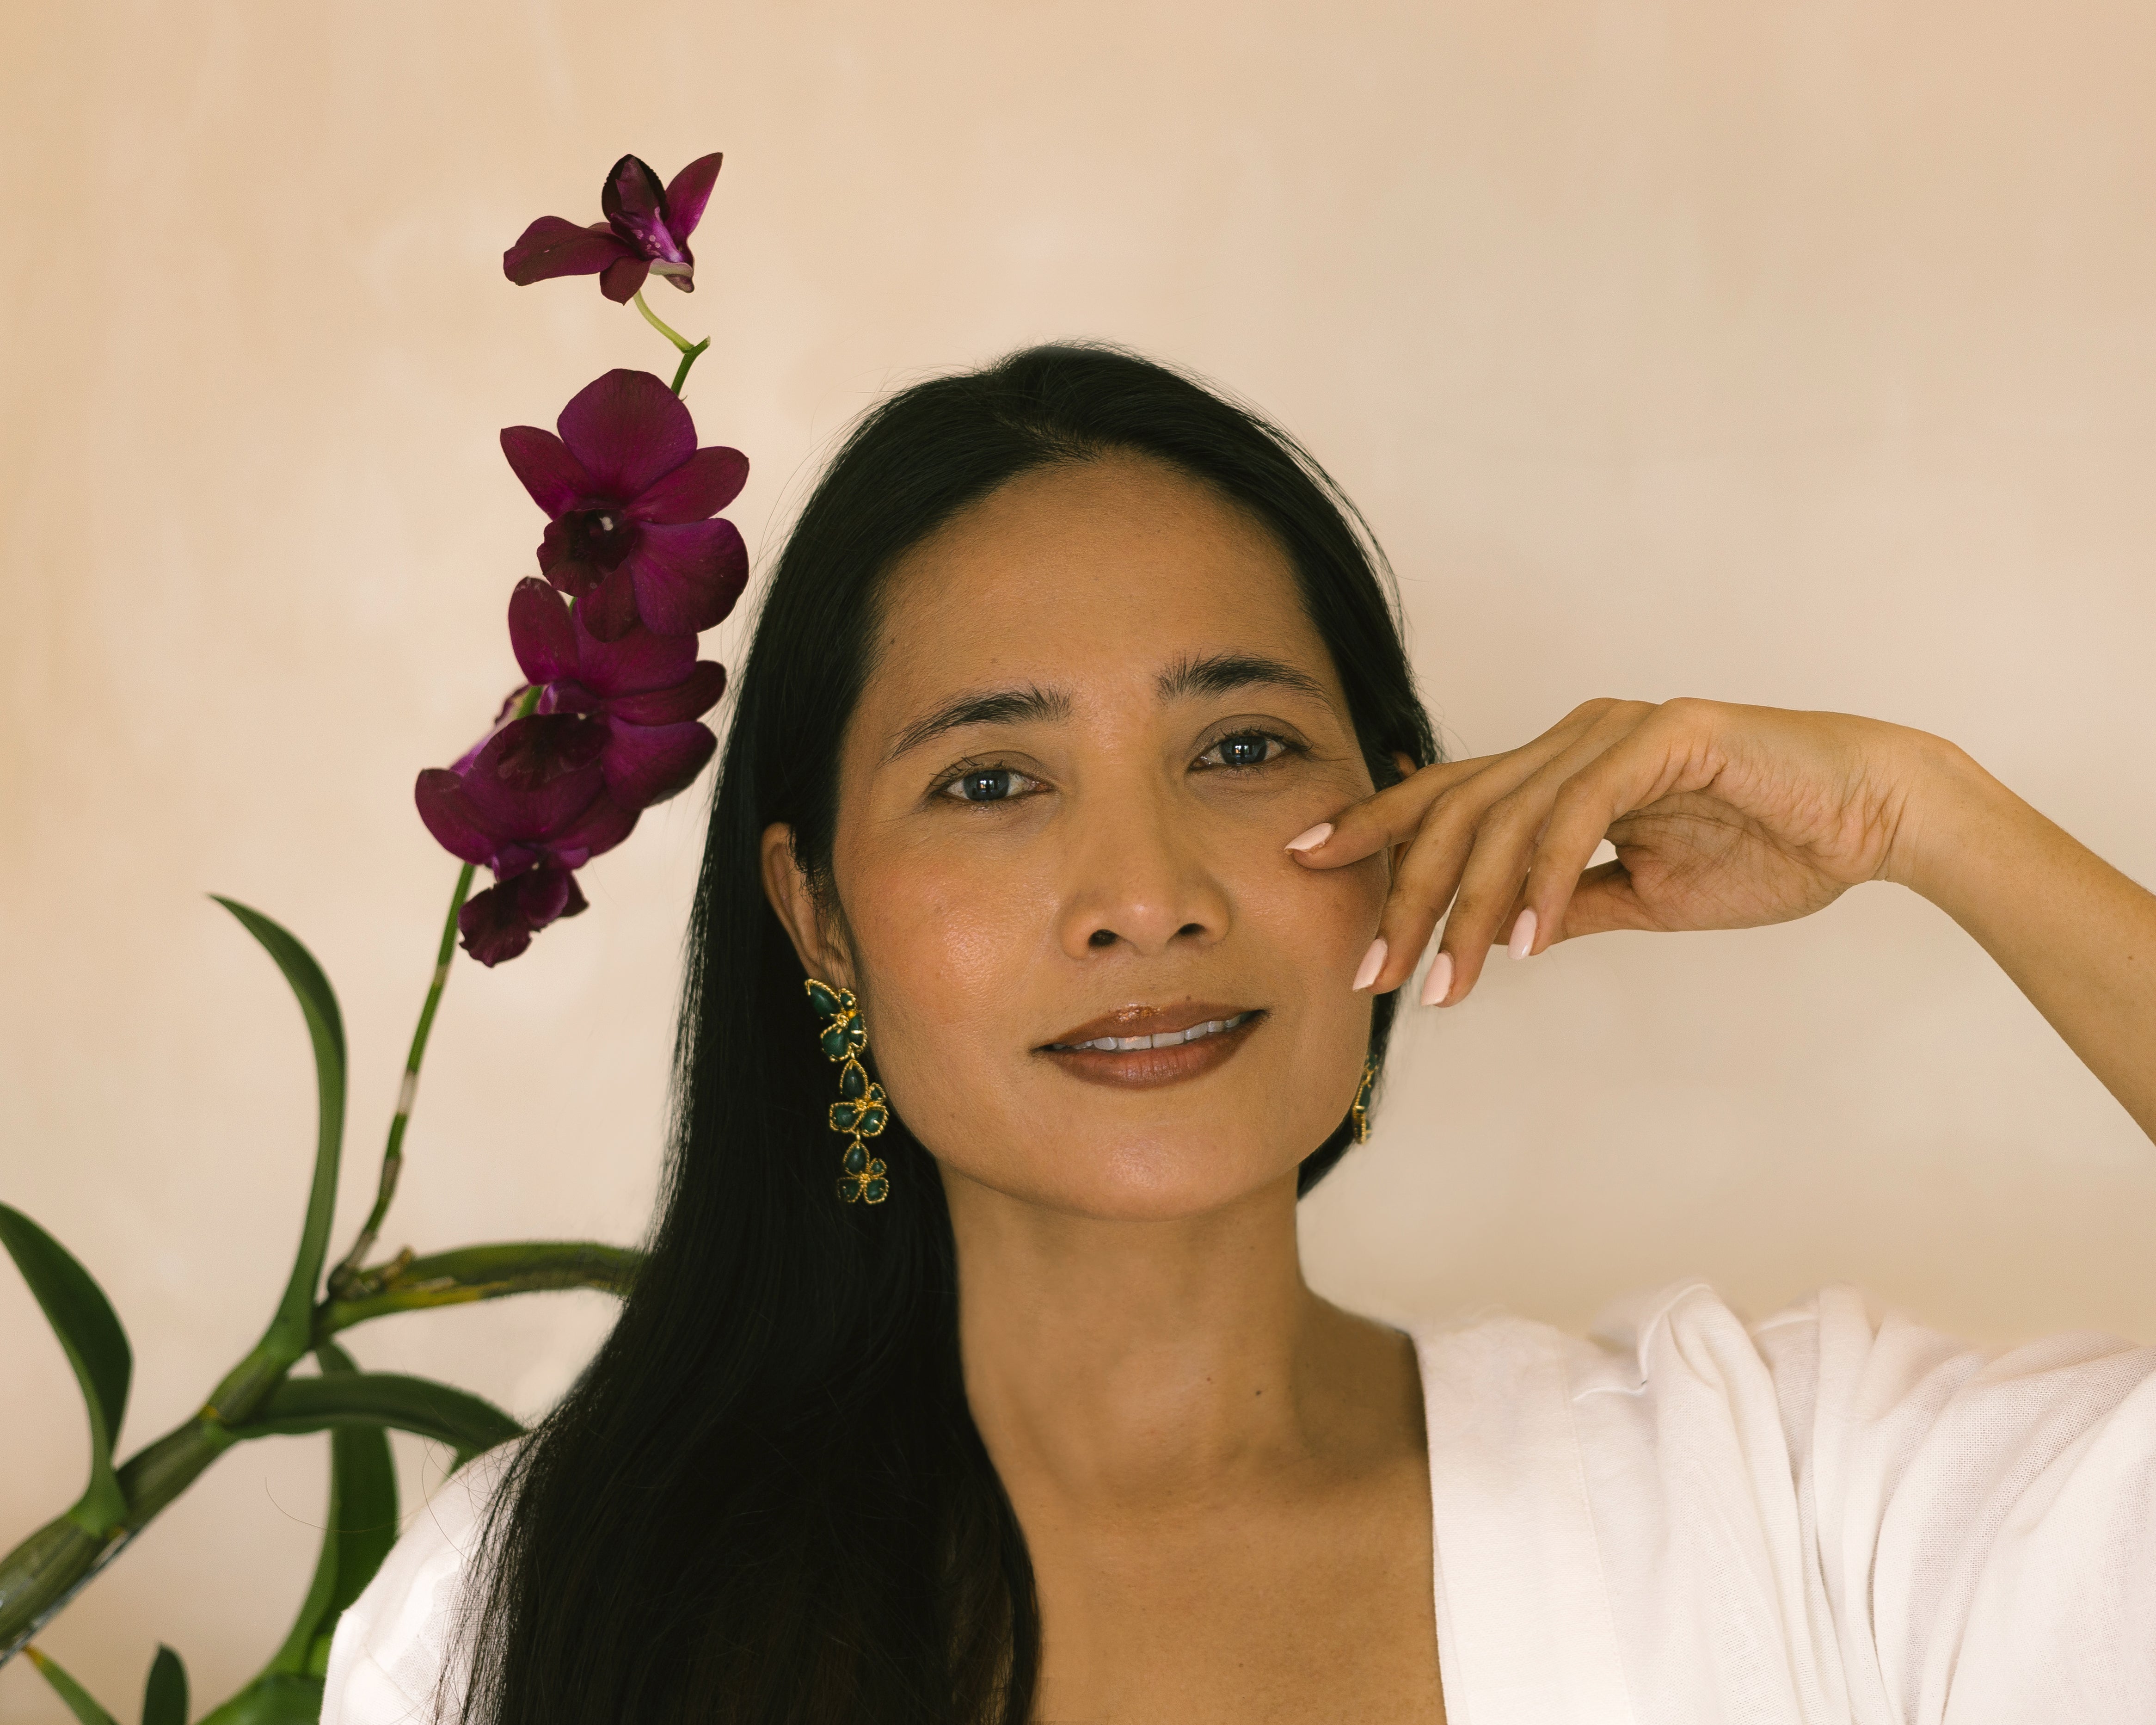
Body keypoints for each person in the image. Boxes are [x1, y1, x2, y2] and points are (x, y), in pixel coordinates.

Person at [322, 344, 2156, 1725]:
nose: (1143, 890)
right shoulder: (518, 1606)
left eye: (1241, 748)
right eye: (987, 779)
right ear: (816, 919)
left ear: (1408, 820)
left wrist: (1923, 821)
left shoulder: (1780, 1500)